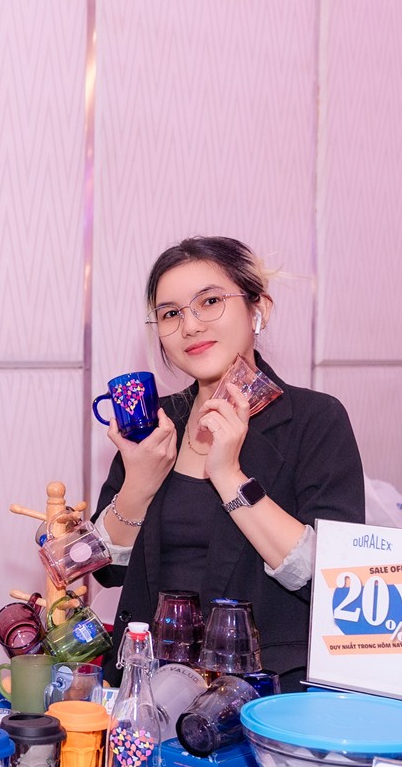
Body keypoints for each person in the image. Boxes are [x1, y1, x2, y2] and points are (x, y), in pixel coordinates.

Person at [94, 237, 365, 690]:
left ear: (259, 309)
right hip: (146, 685)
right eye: (170, 313)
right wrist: (138, 484)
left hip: (263, 693)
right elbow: (108, 570)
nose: (190, 326)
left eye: (210, 302)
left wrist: (229, 476)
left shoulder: (314, 420)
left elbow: (334, 579)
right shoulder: (156, 422)